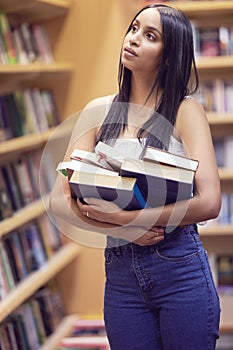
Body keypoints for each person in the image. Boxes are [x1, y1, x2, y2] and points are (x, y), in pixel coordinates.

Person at [50, 3, 222, 349]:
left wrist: (136, 218)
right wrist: (124, 227)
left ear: (170, 56)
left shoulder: (186, 112)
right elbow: (58, 200)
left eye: (150, 36)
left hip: (180, 268)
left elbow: (210, 201)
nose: (133, 39)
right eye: (133, 29)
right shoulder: (97, 111)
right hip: (120, 277)